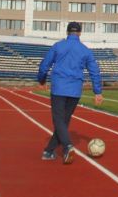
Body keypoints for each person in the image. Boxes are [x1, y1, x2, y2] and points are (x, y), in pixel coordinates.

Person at [37, 22, 103, 164]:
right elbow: (95, 72)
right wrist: (97, 92)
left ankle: (67, 145)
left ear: (67, 32)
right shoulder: (85, 50)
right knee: (63, 121)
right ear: (79, 33)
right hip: (74, 91)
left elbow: (45, 65)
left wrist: (41, 79)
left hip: (59, 88)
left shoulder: (58, 46)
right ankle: (48, 151)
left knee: (59, 120)